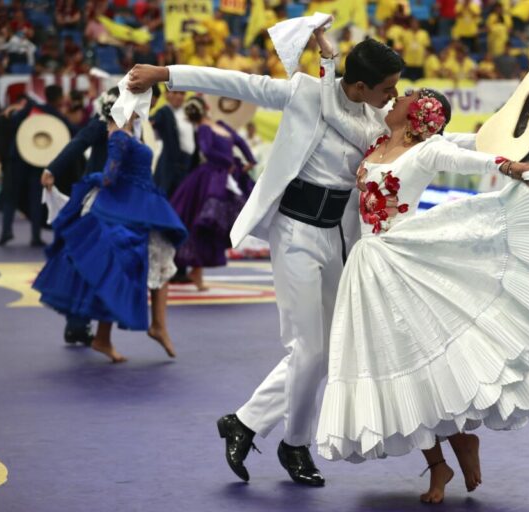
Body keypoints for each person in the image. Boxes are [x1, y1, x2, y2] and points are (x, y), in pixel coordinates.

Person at [126, 32, 476, 487]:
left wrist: (497, 140)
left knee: (329, 351)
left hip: (339, 237)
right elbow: (235, 83)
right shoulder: (306, 91)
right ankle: (294, 444)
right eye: (388, 85)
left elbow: (432, 144)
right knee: (307, 349)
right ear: (360, 83)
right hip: (294, 232)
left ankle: (245, 422)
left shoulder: (377, 118)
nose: (394, 93)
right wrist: (165, 74)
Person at [315, 42, 529, 504]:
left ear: (415, 114)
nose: (393, 97)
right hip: (368, 269)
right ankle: (438, 463)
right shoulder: (375, 143)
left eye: (401, 96)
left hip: (407, 262)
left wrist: (507, 165)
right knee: (391, 363)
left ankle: (462, 438)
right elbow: (333, 104)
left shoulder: (425, 152)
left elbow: (469, 157)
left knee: (428, 357)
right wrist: (329, 61)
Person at [33, 107, 187, 363]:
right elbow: (107, 175)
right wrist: (73, 175)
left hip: (139, 207)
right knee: (121, 267)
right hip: (123, 207)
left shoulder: (132, 131)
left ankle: (149, 328)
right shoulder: (116, 134)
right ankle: (110, 334)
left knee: (151, 262)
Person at [38, 87, 118, 346]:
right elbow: (78, 143)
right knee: (86, 259)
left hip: (115, 200)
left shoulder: (131, 126)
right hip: (96, 199)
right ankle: (77, 322)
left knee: (94, 260)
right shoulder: (102, 124)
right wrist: (52, 169)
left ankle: (79, 323)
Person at [170, 96, 256, 292]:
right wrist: (230, 163)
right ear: (206, 108)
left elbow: (239, 141)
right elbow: (208, 151)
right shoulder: (206, 128)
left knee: (211, 225)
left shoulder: (218, 125)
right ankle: (196, 272)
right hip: (210, 179)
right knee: (203, 224)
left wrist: (249, 160)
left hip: (222, 177)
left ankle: (197, 272)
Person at [0, 85, 74, 247]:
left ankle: (6, 231)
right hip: (37, 160)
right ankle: (35, 236)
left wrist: (23, 109)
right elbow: (72, 129)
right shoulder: (53, 113)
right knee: (35, 197)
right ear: (59, 98)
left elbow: (12, 124)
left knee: (12, 196)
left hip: (20, 158)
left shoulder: (32, 108)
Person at [151, 89, 194, 198]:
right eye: (175, 93)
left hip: (187, 164)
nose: (179, 96)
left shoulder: (188, 113)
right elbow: (153, 122)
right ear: (167, 95)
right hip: (169, 164)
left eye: (182, 93)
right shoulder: (163, 112)